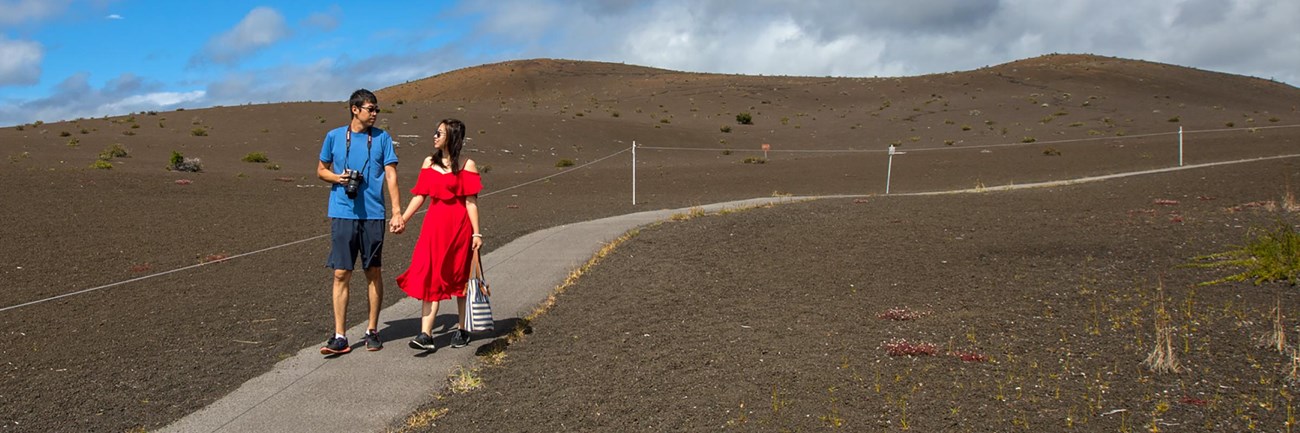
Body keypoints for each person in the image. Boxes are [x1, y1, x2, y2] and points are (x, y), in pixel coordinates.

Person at [316, 89, 404, 355]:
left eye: (377, 109)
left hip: (373, 215)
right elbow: (320, 170)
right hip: (343, 213)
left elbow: (390, 175)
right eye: (370, 109)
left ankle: (372, 330)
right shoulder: (333, 136)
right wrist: (338, 178)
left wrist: (397, 211)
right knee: (341, 272)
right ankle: (340, 336)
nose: (375, 114)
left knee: (372, 271)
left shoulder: (382, 138)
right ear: (355, 109)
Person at [396, 118, 484, 351]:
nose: (434, 136)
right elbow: (419, 195)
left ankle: (463, 329)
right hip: (433, 228)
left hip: (459, 228)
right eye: (435, 132)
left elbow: (471, 202)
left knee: (459, 277)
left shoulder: (467, 165)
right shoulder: (428, 162)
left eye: (439, 133)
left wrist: (477, 234)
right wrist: (403, 219)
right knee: (430, 274)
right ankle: (426, 334)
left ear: (452, 137)